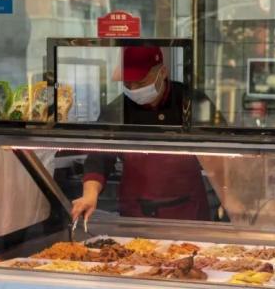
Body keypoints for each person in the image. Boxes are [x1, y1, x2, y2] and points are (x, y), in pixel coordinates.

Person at [71, 46, 211, 223]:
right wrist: (89, 195)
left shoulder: (191, 102)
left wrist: (233, 202)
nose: (134, 89)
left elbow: (222, 155)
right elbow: (99, 157)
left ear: (162, 72)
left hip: (187, 210)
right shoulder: (118, 110)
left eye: (141, 83)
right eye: (127, 84)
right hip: (135, 211)